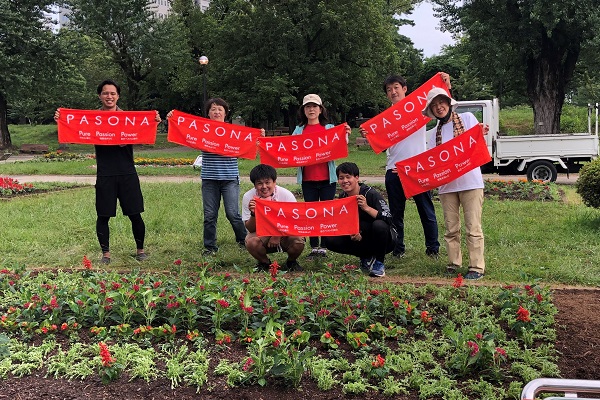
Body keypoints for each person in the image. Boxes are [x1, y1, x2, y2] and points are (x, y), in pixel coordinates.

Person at [54, 79, 161, 264]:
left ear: (118, 96)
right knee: (103, 215)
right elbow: (74, 132)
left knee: (135, 214)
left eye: (112, 93)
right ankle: (106, 254)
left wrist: (154, 122)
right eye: (105, 93)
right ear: (99, 96)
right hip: (105, 174)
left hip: (127, 173)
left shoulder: (129, 118)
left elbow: (145, 136)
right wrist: (61, 120)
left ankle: (141, 251)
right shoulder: (92, 119)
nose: (109, 96)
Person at [360, 74, 451, 259]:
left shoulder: (420, 108)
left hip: (417, 169)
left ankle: (433, 248)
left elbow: (443, 106)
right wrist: (369, 134)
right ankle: (398, 247)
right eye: (389, 90)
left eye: (396, 87)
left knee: (426, 211)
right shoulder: (383, 119)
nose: (393, 92)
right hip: (393, 169)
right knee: (396, 213)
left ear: (404, 89)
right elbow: (380, 143)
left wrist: (446, 83)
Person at [169, 98, 252, 256]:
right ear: (208, 113)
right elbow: (185, 130)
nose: (217, 112)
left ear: (225, 113)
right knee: (209, 215)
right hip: (209, 179)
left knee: (232, 213)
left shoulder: (234, 131)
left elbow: (249, 143)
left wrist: (258, 135)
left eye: (220, 109)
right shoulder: (202, 130)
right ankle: (209, 247)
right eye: (213, 109)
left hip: (229, 179)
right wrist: (174, 118)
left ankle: (243, 239)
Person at [422, 87, 486, 280]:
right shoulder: (433, 134)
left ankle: (476, 267)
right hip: (447, 186)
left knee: (473, 226)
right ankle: (454, 262)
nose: (438, 107)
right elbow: (433, 161)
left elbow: (478, 141)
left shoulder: (467, 119)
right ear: (431, 111)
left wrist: (481, 132)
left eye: (441, 102)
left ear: (448, 103)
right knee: (451, 228)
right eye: (434, 105)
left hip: (471, 182)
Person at [292, 94, 351, 259]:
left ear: (320, 109)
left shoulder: (330, 128)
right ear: (303, 110)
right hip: (307, 180)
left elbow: (340, 144)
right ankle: (313, 246)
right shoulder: (298, 130)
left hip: (327, 179)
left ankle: (324, 246)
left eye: (314, 106)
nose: (311, 109)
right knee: (311, 213)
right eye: (308, 107)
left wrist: (345, 133)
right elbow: (291, 149)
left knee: (325, 212)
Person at [321, 162, 395, 277]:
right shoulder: (343, 197)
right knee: (329, 239)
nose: (345, 181)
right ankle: (366, 257)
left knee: (379, 225)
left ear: (357, 178)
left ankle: (379, 263)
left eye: (348, 177)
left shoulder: (370, 194)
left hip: (384, 237)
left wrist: (366, 208)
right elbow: (343, 220)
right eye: (341, 178)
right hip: (360, 235)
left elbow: (388, 218)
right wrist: (351, 231)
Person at [242, 164, 305, 271]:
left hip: (285, 232)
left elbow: (294, 223)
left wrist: (277, 235)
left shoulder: (286, 195)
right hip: (262, 233)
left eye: (267, 182)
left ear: (274, 182)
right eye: (259, 183)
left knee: (298, 240)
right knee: (251, 242)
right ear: (254, 185)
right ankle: (265, 263)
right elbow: (250, 229)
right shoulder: (248, 197)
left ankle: (291, 261)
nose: (264, 187)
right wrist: (254, 214)